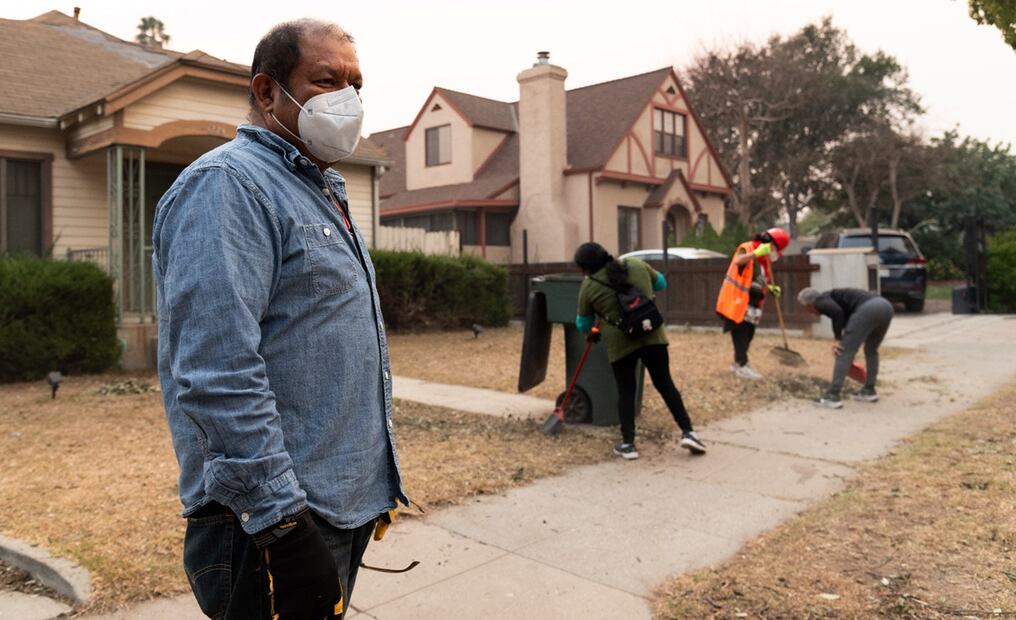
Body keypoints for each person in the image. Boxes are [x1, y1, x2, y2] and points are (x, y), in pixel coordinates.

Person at [152, 19, 405, 620]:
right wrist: (283, 527)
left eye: (356, 84)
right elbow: (217, 371)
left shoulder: (321, 188)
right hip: (273, 523)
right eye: (326, 80)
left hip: (335, 506)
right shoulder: (228, 185)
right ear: (267, 92)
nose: (348, 99)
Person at [574, 242, 706, 460]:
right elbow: (661, 283)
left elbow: (582, 324)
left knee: (627, 391)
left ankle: (628, 444)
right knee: (665, 383)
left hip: (621, 343)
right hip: (653, 335)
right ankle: (688, 432)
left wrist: (597, 325)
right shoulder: (635, 263)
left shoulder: (589, 287)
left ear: (585, 268)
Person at [797, 287, 895, 408]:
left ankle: (832, 396)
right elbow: (847, 319)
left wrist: (838, 339)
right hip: (885, 307)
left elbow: (837, 313)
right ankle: (869, 390)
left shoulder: (820, 300)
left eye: (805, 308)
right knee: (871, 349)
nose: (808, 312)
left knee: (843, 352)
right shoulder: (835, 297)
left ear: (809, 304)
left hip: (868, 309)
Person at [715, 228, 790, 380]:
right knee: (741, 334)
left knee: (749, 335)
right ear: (770, 243)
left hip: (753, 304)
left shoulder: (764, 261)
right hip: (738, 301)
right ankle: (742, 365)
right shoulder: (748, 248)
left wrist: (769, 288)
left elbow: (755, 279)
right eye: (776, 249)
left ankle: (739, 364)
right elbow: (738, 261)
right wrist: (757, 252)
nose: (776, 253)